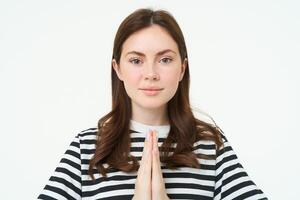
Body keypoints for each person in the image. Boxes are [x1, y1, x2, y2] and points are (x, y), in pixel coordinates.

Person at [38, 8, 268, 200]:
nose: (150, 73)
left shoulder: (210, 146)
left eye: (165, 60)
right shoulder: (87, 148)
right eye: (136, 60)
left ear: (182, 68)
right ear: (117, 68)